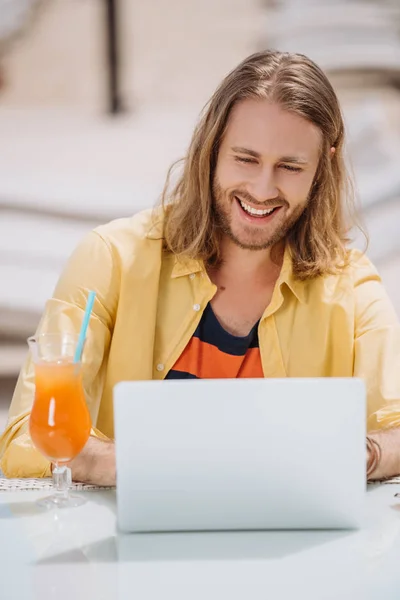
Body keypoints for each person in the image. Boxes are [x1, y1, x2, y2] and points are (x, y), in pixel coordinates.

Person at [1, 50, 400, 485]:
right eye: (245, 159)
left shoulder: (353, 287)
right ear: (211, 149)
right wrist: (155, 465)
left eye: (290, 166)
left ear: (323, 165)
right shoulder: (111, 259)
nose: (262, 189)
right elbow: (26, 438)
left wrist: (362, 453)